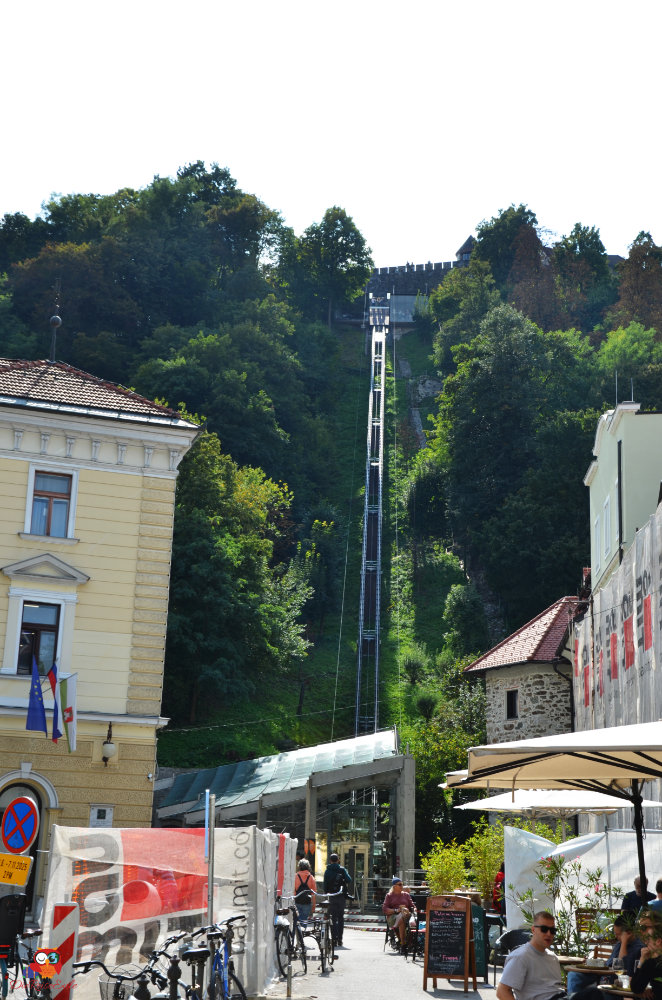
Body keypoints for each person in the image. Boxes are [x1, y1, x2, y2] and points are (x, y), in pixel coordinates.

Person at [496, 911, 566, 1000]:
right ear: (533, 930)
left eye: (552, 930)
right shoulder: (521, 956)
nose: (549, 934)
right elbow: (502, 992)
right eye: (544, 929)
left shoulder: (552, 957)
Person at [566, 915, 642, 995]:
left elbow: (620, 968)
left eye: (618, 934)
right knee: (573, 975)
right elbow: (608, 964)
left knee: (594, 993)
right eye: (615, 934)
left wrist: (624, 942)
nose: (616, 937)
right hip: (600, 977)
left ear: (628, 933)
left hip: (614, 983)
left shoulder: (638, 948)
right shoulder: (619, 944)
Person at [631, 911, 662, 1000]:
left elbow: (636, 988)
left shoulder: (651, 963)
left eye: (644, 928)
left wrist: (642, 960)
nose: (640, 931)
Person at [323, 852, 351, 947]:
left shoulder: (327, 871)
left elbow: (325, 886)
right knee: (340, 918)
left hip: (332, 897)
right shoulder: (342, 870)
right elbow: (349, 880)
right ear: (338, 860)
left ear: (330, 861)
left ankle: (333, 939)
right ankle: (340, 939)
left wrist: (327, 893)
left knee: (333, 918)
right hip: (341, 897)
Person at [382, 877, 416, 950]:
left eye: (402, 884)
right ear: (394, 886)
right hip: (393, 917)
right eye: (400, 884)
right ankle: (404, 943)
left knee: (403, 915)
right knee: (402, 918)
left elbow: (413, 906)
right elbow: (385, 909)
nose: (402, 886)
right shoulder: (389, 896)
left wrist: (411, 910)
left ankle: (402, 942)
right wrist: (396, 910)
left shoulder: (406, 895)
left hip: (406, 915)